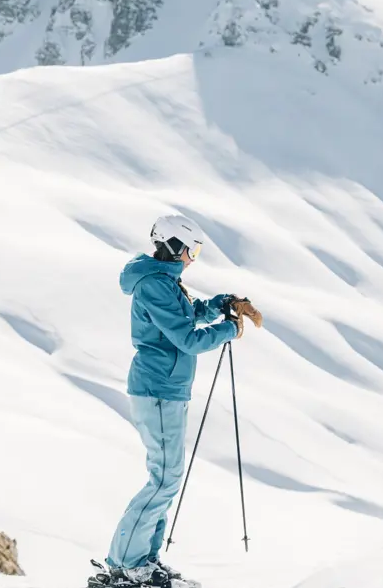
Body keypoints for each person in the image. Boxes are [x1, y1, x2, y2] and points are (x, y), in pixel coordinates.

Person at [93, 214, 262, 588]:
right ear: (174, 246)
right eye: (192, 249)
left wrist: (221, 304)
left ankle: (145, 559)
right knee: (164, 478)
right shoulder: (155, 286)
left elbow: (185, 316)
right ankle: (126, 563)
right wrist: (229, 330)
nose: (193, 257)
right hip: (157, 389)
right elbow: (187, 340)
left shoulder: (165, 283)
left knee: (167, 477)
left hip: (167, 389)